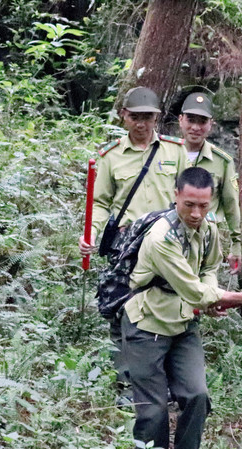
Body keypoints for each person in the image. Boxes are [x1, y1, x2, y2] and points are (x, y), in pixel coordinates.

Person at [119, 167, 242, 449]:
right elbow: (196, 292)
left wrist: (213, 297)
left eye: (203, 206)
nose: (196, 213)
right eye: (189, 204)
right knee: (154, 407)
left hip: (184, 324)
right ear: (175, 196)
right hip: (147, 325)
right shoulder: (162, 238)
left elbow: (208, 272)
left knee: (197, 396)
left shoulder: (209, 229)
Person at [78, 86, 188, 401]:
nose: (142, 124)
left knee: (166, 309)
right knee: (122, 310)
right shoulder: (110, 156)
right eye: (136, 117)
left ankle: (165, 383)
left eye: (148, 117)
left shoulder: (174, 151)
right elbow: (98, 202)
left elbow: (189, 197)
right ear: (124, 116)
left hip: (166, 242)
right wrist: (90, 233)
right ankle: (126, 383)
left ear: (157, 118)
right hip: (125, 244)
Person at [178, 92, 242, 274]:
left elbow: (231, 205)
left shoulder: (222, 161)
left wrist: (237, 244)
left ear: (211, 124)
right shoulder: (167, 154)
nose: (196, 127)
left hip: (207, 240)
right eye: (191, 120)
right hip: (171, 237)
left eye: (202, 121)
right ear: (180, 120)